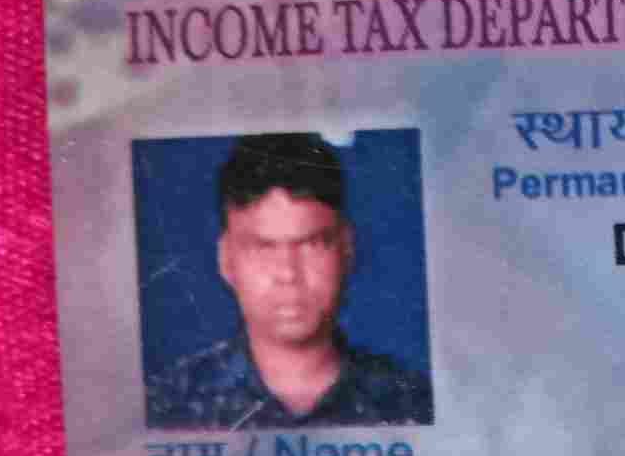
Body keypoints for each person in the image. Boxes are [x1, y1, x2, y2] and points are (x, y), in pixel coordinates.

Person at [146, 133, 434, 429]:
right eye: (262, 247)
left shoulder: (414, 403)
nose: (288, 273)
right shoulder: (166, 408)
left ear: (346, 248)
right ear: (226, 259)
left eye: (311, 244)